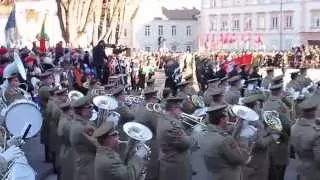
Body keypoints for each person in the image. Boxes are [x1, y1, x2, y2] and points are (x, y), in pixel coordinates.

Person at [201, 105, 248, 180]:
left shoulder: (204, 134)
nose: (228, 119)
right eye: (227, 117)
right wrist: (243, 137)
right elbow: (241, 158)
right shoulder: (225, 139)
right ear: (222, 119)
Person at [241, 94, 280, 180]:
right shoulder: (253, 121)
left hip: (251, 158)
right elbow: (259, 143)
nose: (261, 107)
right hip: (256, 159)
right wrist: (272, 137)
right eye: (259, 104)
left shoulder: (245, 117)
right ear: (256, 105)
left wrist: (268, 130)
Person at [157, 96, 194, 180]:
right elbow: (186, 143)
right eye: (180, 109)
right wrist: (192, 137)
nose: (181, 112)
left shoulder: (163, 119)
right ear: (173, 108)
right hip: (175, 168)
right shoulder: (172, 126)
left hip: (169, 164)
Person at [264, 83, 291, 180]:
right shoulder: (279, 106)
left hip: (270, 139)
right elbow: (286, 125)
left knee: (272, 170)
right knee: (279, 171)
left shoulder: (266, 103)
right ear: (279, 91)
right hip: (280, 141)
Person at [291, 97, 320, 180]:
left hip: (301, 169)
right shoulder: (316, 133)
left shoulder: (294, 127)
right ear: (314, 111)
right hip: (315, 173)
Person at [134, 89, 160, 180]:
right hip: (150, 142)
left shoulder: (139, 107)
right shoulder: (150, 110)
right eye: (156, 98)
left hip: (139, 141)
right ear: (152, 98)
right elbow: (158, 127)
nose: (157, 101)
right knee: (152, 169)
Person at [69, 96, 97, 180]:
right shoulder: (82, 128)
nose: (92, 109)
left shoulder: (82, 123)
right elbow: (97, 146)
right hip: (87, 167)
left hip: (86, 163)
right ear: (81, 111)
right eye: (89, 107)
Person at [57, 102, 75, 180]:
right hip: (66, 151)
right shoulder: (65, 122)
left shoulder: (66, 119)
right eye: (73, 109)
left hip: (65, 149)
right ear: (69, 111)